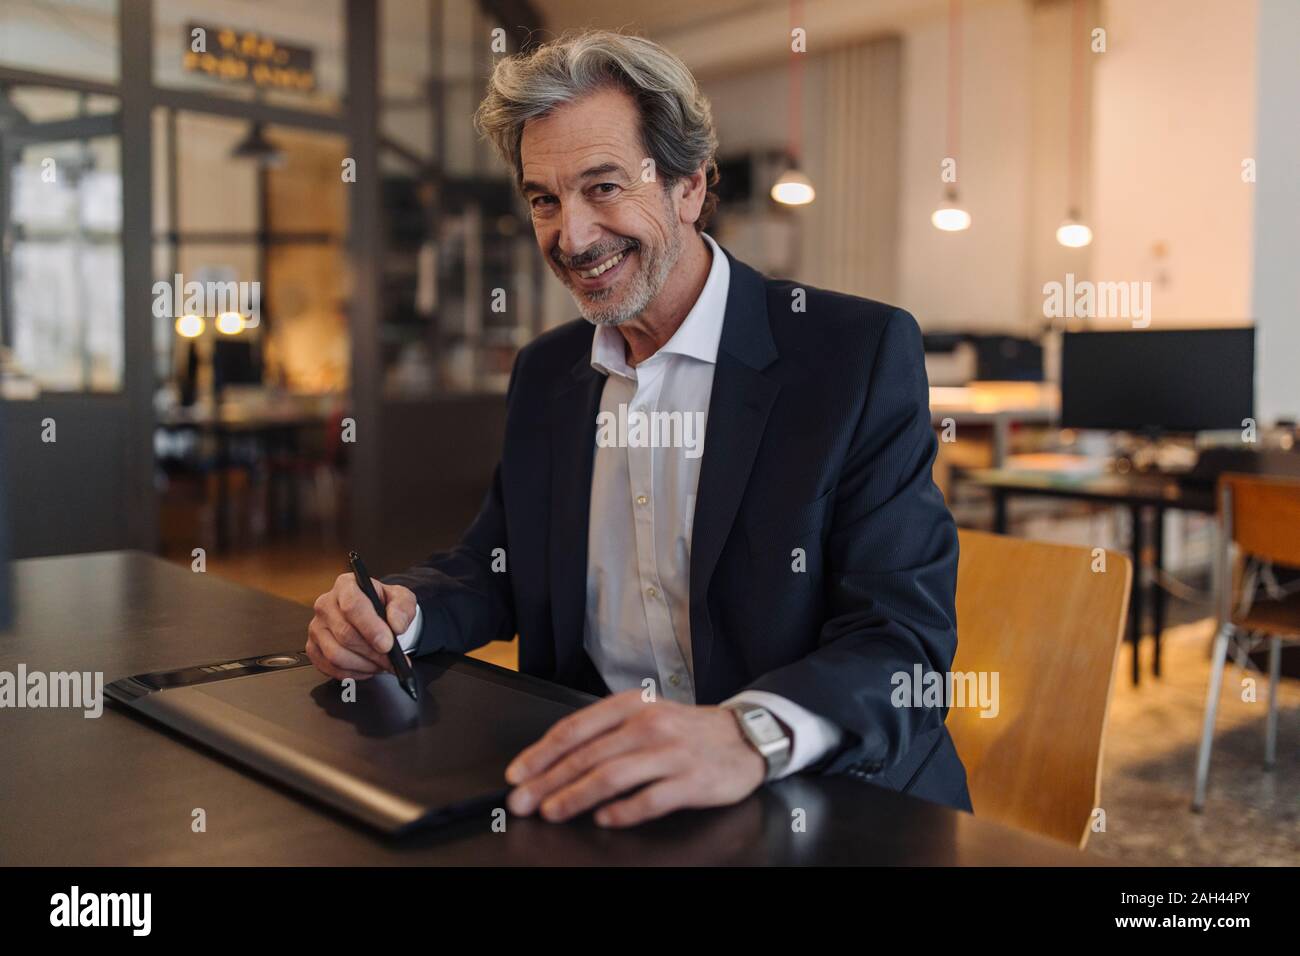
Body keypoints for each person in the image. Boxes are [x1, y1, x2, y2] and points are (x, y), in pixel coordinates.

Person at [307, 30, 970, 827]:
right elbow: (502, 565)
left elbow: (904, 644)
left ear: (690, 186)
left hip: (821, 800)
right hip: (604, 797)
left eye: (604, 187)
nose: (572, 237)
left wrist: (742, 733)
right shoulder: (549, 373)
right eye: (544, 200)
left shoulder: (853, 357)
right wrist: (406, 611)